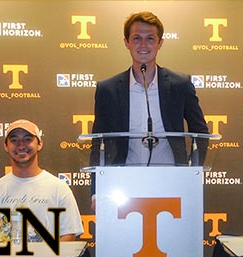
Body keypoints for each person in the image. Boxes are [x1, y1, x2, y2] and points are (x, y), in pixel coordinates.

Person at [89, 11, 209, 203]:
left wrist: (190, 174)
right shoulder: (108, 89)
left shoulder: (180, 84)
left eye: (150, 39)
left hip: (172, 182)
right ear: (126, 42)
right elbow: (98, 142)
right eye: (136, 38)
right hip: (123, 183)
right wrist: (96, 189)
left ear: (160, 43)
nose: (143, 45)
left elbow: (200, 132)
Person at [0, 119, 83, 243]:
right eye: (14, 140)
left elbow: (68, 235)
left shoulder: (59, 188)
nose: (21, 145)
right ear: (6, 146)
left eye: (27, 139)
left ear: (39, 144)